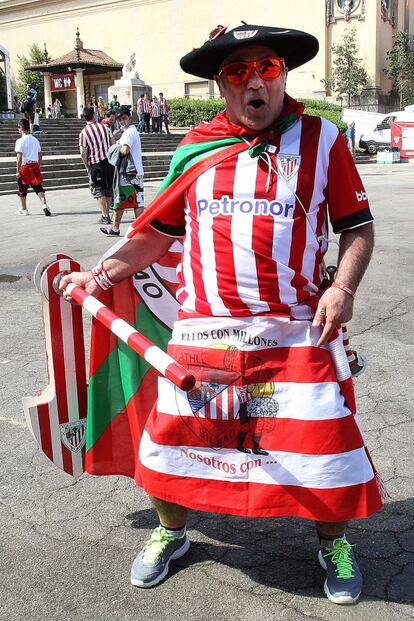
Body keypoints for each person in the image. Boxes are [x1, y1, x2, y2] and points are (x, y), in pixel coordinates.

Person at [61, 24, 382, 605]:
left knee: (323, 449)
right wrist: (101, 273)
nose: (255, 80)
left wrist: (344, 287)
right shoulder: (196, 149)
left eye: (267, 68)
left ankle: (332, 542)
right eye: (239, 72)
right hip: (205, 334)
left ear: (283, 75)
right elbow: (154, 235)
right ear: (220, 85)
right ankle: (171, 532)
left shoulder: (323, 139)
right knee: (172, 444)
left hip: (293, 331)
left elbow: (356, 226)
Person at [100, 104, 144, 236]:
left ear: (129, 117)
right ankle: (117, 228)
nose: (122, 121)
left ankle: (120, 228)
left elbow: (125, 150)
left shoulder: (129, 132)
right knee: (135, 201)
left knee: (128, 201)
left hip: (130, 172)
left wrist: (114, 149)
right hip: (135, 171)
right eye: (120, 119)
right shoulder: (131, 131)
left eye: (124, 118)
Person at [79, 105, 114, 225]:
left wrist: (87, 166)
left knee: (99, 190)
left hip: (96, 163)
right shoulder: (105, 128)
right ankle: (107, 213)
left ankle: (104, 215)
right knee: (108, 189)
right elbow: (113, 143)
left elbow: (82, 152)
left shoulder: (84, 133)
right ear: (94, 115)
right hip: (108, 162)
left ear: (84, 117)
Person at [15, 118, 51, 216]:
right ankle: (44, 205)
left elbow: (19, 156)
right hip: (34, 166)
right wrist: (37, 165)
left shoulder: (20, 141)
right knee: (39, 188)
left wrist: (17, 171)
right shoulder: (35, 140)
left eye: (18, 127)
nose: (18, 129)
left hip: (25, 167)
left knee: (22, 189)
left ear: (22, 128)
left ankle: (24, 209)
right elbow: (40, 155)